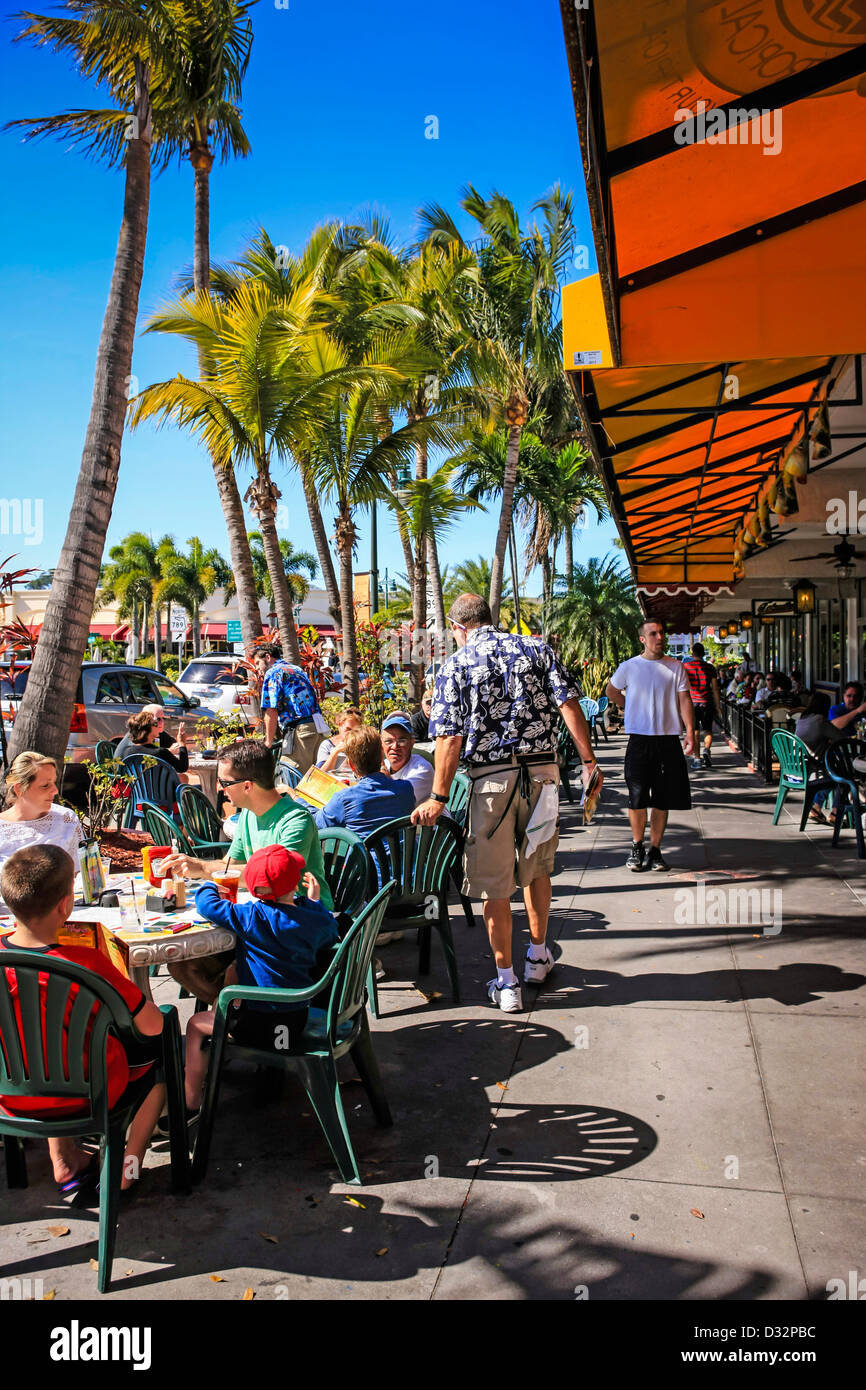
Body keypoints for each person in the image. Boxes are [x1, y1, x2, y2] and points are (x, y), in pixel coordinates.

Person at [412, 592, 600, 1014]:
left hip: (491, 781)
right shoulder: (535, 648)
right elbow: (570, 704)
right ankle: (537, 956)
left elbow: (450, 738)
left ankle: (507, 982)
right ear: (489, 618)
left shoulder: (456, 666)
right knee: (537, 869)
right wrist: (588, 762)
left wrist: (440, 796)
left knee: (495, 885)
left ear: (459, 628)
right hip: (543, 776)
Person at [0, 844, 165, 1197]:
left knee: (43, 1046)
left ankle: (64, 1158)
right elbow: (152, 1026)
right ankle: (126, 1169)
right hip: (87, 1095)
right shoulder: (86, 963)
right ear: (65, 905)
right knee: (159, 1067)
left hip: (10, 1097)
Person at [161, 738, 333, 1003]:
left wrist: (204, 869)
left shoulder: (295, 820)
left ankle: (244, 1017)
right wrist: (194, 867)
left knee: (206, 967)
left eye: (225, 782)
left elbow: (273, 879)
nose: (220, 789)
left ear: (247, 785)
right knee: (182, 964)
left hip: (299, 925)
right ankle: (240, 1015)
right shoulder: (249, 814)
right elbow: (230, 866)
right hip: (263, 917)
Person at [182, 846, 339, 1114]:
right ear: (294, 884)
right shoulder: (312, 919)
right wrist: (314, 902)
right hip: (296, 1018)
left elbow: (208, 906)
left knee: (195, 1025)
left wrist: (210, 885)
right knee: (234, 973)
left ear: (253, 888)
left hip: (259, 1024)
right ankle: (219, 1049)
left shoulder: (250, 917)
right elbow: (330, 931)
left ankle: (191, 1100)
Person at [606, 617, 695, 872]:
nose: (660, 637)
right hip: (639, 741)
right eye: (653, 634)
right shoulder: (629, 667)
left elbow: (685, 701)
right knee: (636, 797)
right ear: (643, 639)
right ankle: (637, 846)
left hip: (668, 741)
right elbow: (611, 691)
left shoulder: (676, 666)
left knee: (662, 798)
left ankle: (655, 850)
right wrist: (630, 706)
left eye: (662, 633)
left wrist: (691, 732)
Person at [0, 753, 81, 907]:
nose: (55, 790)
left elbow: (81, 877)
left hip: (62, 913)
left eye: (54, 783)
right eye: (45, 785)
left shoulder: (65, 819)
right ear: (19, 789)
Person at [314, 726, 415, 838]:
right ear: (382, 757)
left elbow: (316, 824)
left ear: (351, 765)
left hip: (365, 855)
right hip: (405, 855)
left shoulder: (345, 799)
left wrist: (297, 798)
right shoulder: (406, 789)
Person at [252, 643, 323, 774]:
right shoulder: (296, 669)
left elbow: (271, 709)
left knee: (291, 775)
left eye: (257, 663)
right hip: (317, 728)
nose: (257, 668)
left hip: (300, 730)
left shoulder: (273, 672)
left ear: (267, 657)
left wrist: (268, 741)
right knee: (313, 779)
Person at [114, 705, 189, 776]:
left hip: (136, 787)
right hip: (155, 787)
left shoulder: (127, 751)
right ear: (148, 728)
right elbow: (182, 768)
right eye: (156, 722)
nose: (161, 723)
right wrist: (182, 743)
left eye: (163, 719)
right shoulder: (160, 752)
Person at [681, 642, 720, 770]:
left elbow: (682, 687)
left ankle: (697, 760)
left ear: (692, 654)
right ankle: (707, 750)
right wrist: (718, 706)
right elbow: (715, 689)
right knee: (708, 730)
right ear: (703, 654)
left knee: (694, 731)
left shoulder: (685, 666)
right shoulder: (710, 668)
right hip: (707, 702)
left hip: (691, 703)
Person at [380, 713, 435, 805]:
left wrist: (383, 775)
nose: (395, 746)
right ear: (381, 744)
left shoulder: (422, 768)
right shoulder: (385, 764)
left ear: (412, 743)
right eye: (389, 741)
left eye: (401, 741)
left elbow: (397, 801)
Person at [315, 705, 363, 775]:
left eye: (355, 731)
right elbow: (320, 775)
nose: (350, 734)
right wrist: (335, 752)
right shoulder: (328, 745)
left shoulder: (361, 745)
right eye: (348, 729)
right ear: (340, 725)